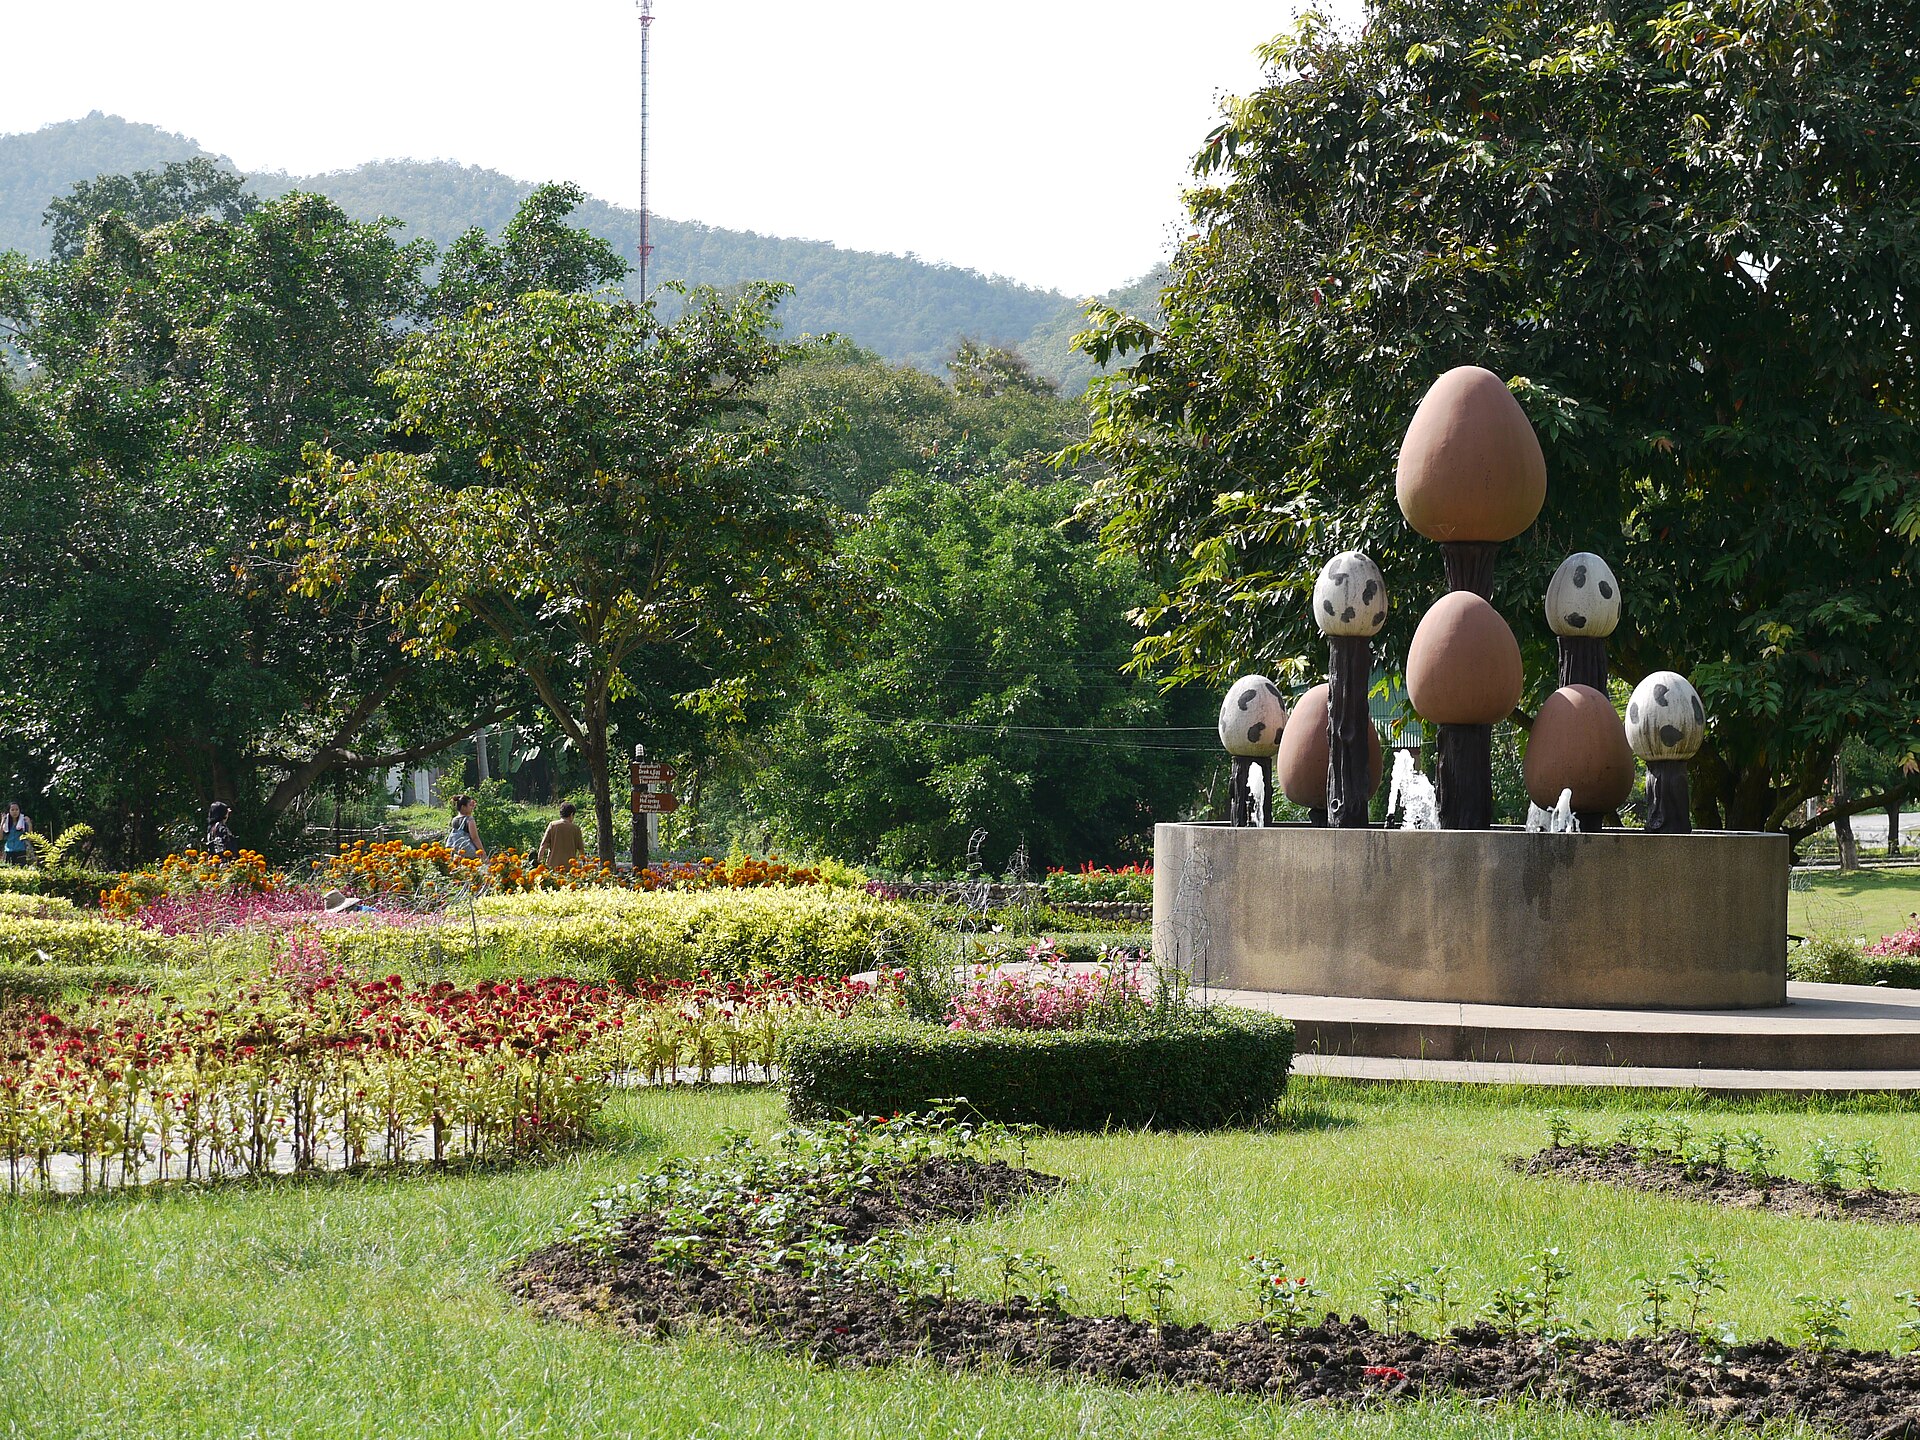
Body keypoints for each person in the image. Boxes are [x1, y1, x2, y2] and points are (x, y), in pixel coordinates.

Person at [537, 802, 586, 873]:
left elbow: (543, 845)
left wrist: (539, 861)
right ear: (571, 814)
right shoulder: (576, 829)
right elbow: (581, 849)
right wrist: (583, 863)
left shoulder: (553, 825)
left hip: (552, 866)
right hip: (570, 868)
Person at [2, 801, 31, 866]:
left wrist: (29, 824)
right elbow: (0, 837)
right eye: (12, 810)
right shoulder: (6, 824)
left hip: (20, 851)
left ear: (19, 811)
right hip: (8, 851)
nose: (14, 812)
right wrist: (1, 823)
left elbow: (30, 838)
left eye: (16, 810)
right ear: (9, 811)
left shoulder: (23, 822)